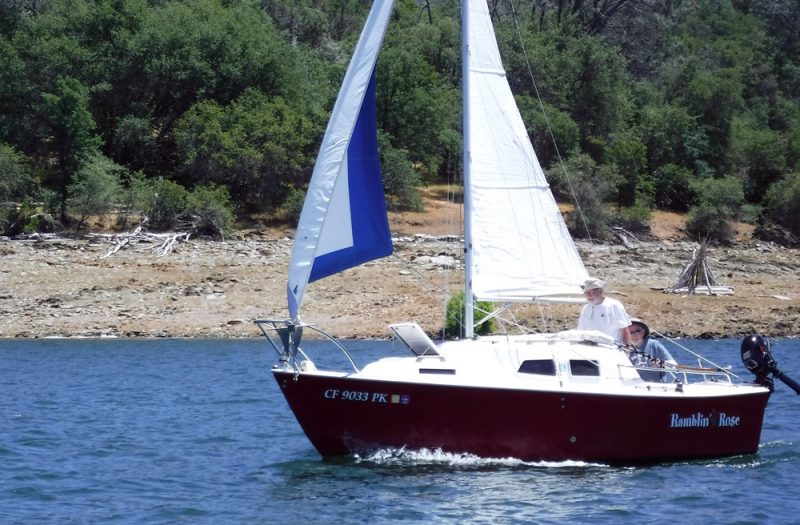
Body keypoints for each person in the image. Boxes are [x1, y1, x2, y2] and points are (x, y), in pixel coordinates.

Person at [577, 277, 632, 344]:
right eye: (586, 292)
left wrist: (627, 350)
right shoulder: (586, 308)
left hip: (611, 348)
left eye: (591, 292)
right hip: (590, 349)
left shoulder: (614, 305)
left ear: (600, 291)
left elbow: (625, 330)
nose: (588, 295)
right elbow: (581, 331)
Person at [628, 318, 677, 382]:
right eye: (630, 332)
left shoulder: (654, 344)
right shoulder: (622, 347)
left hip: (655, 386)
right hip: (631, 384)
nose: (634, 335)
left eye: (637, 331)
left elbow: (673, 365)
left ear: (643, 332)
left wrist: (662, 365)